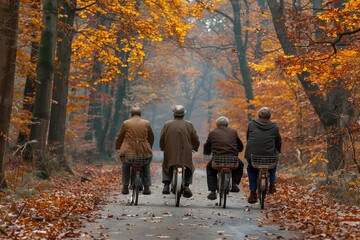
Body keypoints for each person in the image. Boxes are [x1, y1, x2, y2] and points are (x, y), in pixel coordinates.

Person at [159, 105, 200, 198]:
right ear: (183, 114)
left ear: (173, 114)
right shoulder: (189, 125)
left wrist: (162, 147)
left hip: (170, 151)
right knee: (189, 167)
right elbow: (195, 138)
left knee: (166, 165)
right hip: (186, 151)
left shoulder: (167, 124)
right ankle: (186, 186)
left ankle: (166, 185)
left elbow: (162, 138)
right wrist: (195, 147)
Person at [245, 107, 282, 203]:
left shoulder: (251, 124)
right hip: (269, 155)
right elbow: (278, 141)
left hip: (253, 154)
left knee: (251, 169)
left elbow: (248, 138)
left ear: (259, 115)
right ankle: (272, 184)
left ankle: (253, 193)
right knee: (273, 164)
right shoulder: (275, 127)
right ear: (269, 116)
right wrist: (278, 150)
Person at [115, 106, 154, 195]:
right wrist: (149, 147)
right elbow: (151, 137)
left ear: (131, 114)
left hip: (129, 154)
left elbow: (120, 137)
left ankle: (125, 186)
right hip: (144, 153)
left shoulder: (126, 123)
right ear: (140, 114)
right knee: (146, 164)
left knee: (125, 165)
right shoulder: (146, 123)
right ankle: (147, 187)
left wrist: (118, 147)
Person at [203, 116, 245, 200]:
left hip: (217, 160)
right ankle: (233, 183)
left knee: (210, 168)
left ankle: (212, 191)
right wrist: (239, 149)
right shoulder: (233, 132)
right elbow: (240, 146)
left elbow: (207, 146)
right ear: (227, 124)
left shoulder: (212, 133)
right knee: (240, 165)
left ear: (217, 124)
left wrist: (206, 152)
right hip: (232, 160)